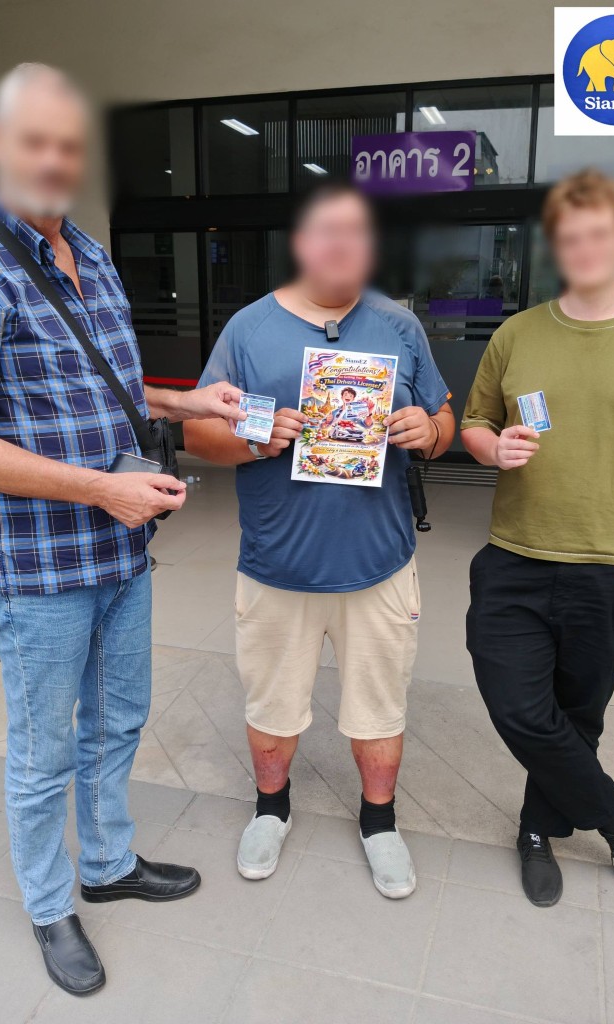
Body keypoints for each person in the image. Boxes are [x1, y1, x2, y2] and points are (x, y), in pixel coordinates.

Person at [0, 63, 244, 995]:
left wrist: (186, 402)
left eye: (69, 144)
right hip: (34, 565)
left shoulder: (92, 254)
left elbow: (100, 387)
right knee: (45, 745)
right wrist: (95, 491)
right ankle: (49, 904)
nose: (54, 160)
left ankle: (107, 865)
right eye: (36, 142)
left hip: (122, 547)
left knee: (118, 719)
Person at [184, 182, 454, 899]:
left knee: (381, 706)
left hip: (378, 564)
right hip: (277, 564)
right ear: (301, 243)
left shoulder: (398, 327)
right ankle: (271, 809)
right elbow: (196, 432)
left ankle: (380, 821)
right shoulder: (248, 329)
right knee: (271, 708)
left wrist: (431, 433)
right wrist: (254, 437)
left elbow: (444, 415)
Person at [461, 169, 614, 908]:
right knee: (518, 706)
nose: (584, 247)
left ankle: (537, 828)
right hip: (515, 556)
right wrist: (490, 449)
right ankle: (613, 810)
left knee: (576, 717)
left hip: (611, 566)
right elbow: (474, 424)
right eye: (570, 235)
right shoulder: (516, 332)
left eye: (599, 233)